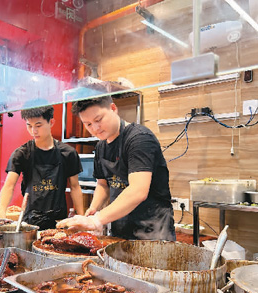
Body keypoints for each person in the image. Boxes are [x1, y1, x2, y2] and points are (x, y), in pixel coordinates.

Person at [57, 96, 175, 241]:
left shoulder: (139, 139)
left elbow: (138, 191)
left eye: (98, 120)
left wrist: (97, 220)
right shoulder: (101, 146)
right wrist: (93, 210)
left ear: (113, 108)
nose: (94, 128)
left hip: (153, 232)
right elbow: (103, 184)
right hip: (120, 229)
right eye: (87, 124)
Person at [0, 106, 84, 230]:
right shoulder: (22, 153)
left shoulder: (68, 153)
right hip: (30, 223)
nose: (33, 131)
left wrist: (81, 217)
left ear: (51, 122)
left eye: (38, 125)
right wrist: (1, 211)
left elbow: (75, 187)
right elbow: (9, 185)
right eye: (29, 126)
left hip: (59, 221)